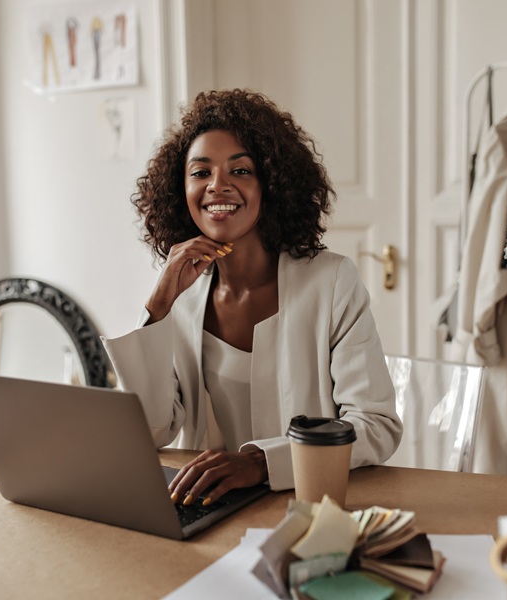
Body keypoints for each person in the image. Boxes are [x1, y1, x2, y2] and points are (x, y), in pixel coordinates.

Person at [102, 89, 401, 507]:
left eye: (240, 171)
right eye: (200, 172)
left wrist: (262, 463)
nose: (217, 186)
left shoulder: (331, 281)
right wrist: (156, 311)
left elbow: (376, 424)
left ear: (271, 184)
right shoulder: (182, 297)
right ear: (180, 188)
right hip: (209, 509)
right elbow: (153, 431)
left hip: (310, 507)